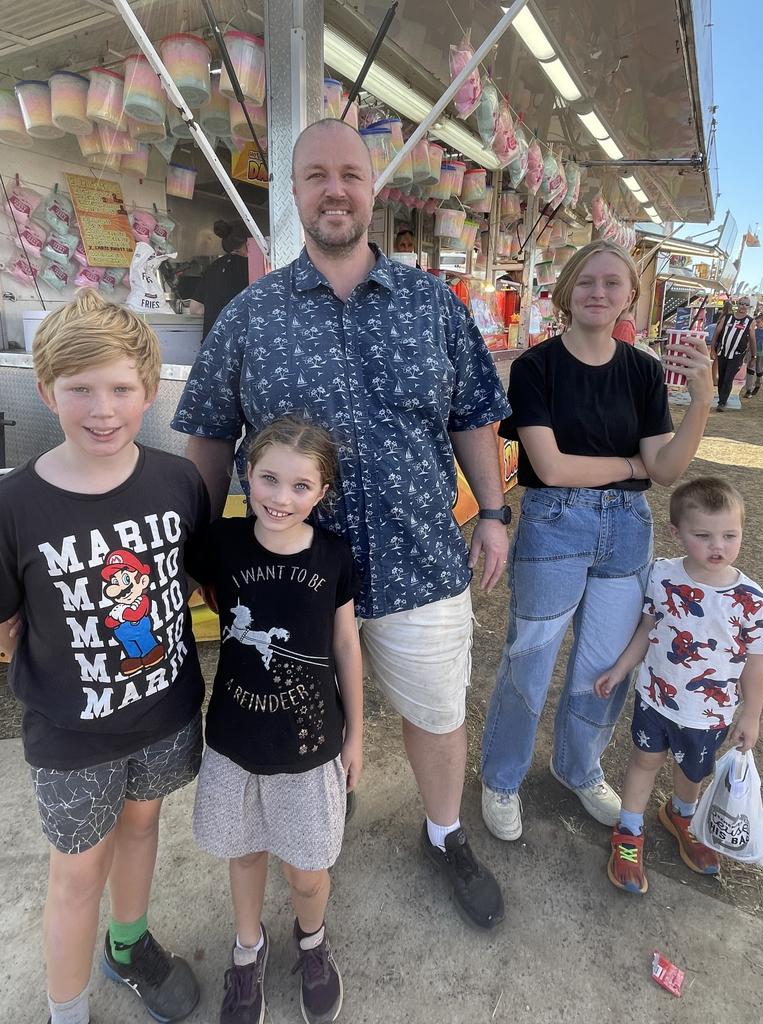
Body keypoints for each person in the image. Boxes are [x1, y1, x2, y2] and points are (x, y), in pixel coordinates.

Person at [172, 117, 511, 930]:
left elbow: (472, 415)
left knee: (436, 712)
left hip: (421, 560)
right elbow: (209, 439)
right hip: (290, 579)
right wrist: (188, 549)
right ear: (293, 192)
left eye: (350, 175)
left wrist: (494, 511)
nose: (335, 189)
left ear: (372, 190)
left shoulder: (433, 304)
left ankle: (444, 832)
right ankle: (322, 820)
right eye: (316, 175)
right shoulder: (251, 316)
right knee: (300, 713)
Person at [0, 290, 208, 1024]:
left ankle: (127, 945)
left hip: (166, 710)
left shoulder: (178, 481)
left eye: (121, 388)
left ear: (148, 391)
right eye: (80, 388)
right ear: (46, 389)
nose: (102, 407)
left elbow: (189, 575)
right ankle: (66, 1009)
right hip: (72, 734)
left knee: (145, 826)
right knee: (77, 870)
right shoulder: (15, 503)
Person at [480, 240, 713, 842]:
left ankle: (577, 766)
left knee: (606, 666)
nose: (599, 292)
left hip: (627, 532)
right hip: (556, 522)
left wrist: (703, 403)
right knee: (528, 660)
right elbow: (551, 468)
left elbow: (664, 469)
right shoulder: (536, 366)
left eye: (613, 283)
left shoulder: (640, 371)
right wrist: (629, 467)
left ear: (630, 295)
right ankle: (501, 778)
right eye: (587, 281)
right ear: (566, 290)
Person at [185, 415, 362, 1024]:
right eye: (268, 480)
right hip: (235, 740)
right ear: (246, 476)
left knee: (309, 873)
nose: (281, 498)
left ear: (322, 492)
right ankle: (247, 949)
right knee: (245, 854)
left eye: (300, 486)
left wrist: (357, 734)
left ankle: (311, 942)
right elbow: (176, 583)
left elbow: (346, 647)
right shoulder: (222, 543)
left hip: (310, 746)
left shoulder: (335, 556)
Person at [595, 477, 763, 893]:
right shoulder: (663, 576)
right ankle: (630, 832)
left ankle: (681, 815)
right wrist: (621, 669)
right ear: (677, 532)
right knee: (644, 762)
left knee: (692, 771)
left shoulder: (753, 600)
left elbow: (756, 661)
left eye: (730, 535)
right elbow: (648, 629)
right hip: (655, 698)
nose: (718, 547)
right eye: (703, 535)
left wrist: (752, 714)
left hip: (709, 714)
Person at [189, 219, 250, 339]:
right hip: (239, 347)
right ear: (247, 242)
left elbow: (195, 309)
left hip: (211, 347)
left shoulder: (213, 267)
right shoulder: (252, 267)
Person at [711, 297, 756, 410]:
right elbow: (716, 334)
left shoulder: (750, 321)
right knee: (722, 377)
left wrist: (754, 356)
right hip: (723, 352)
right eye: (741, 303)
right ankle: (722, 397)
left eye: (746, 304)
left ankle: (722, 402)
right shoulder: (727, 318)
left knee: (728, 377)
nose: (743, 306)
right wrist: (712, 349)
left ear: (748, 307)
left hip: (737, 355)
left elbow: (752, 339)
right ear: (738, 304)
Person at [743, 310, 763, 398]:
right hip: (752, 353)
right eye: (756, 322)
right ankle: (748, 390)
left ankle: (758, 384)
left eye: (758, 322)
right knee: (750, 370)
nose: (756, 324)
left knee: (759, 371)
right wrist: (746, 354)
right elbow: (750, 343)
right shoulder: (754, 331)